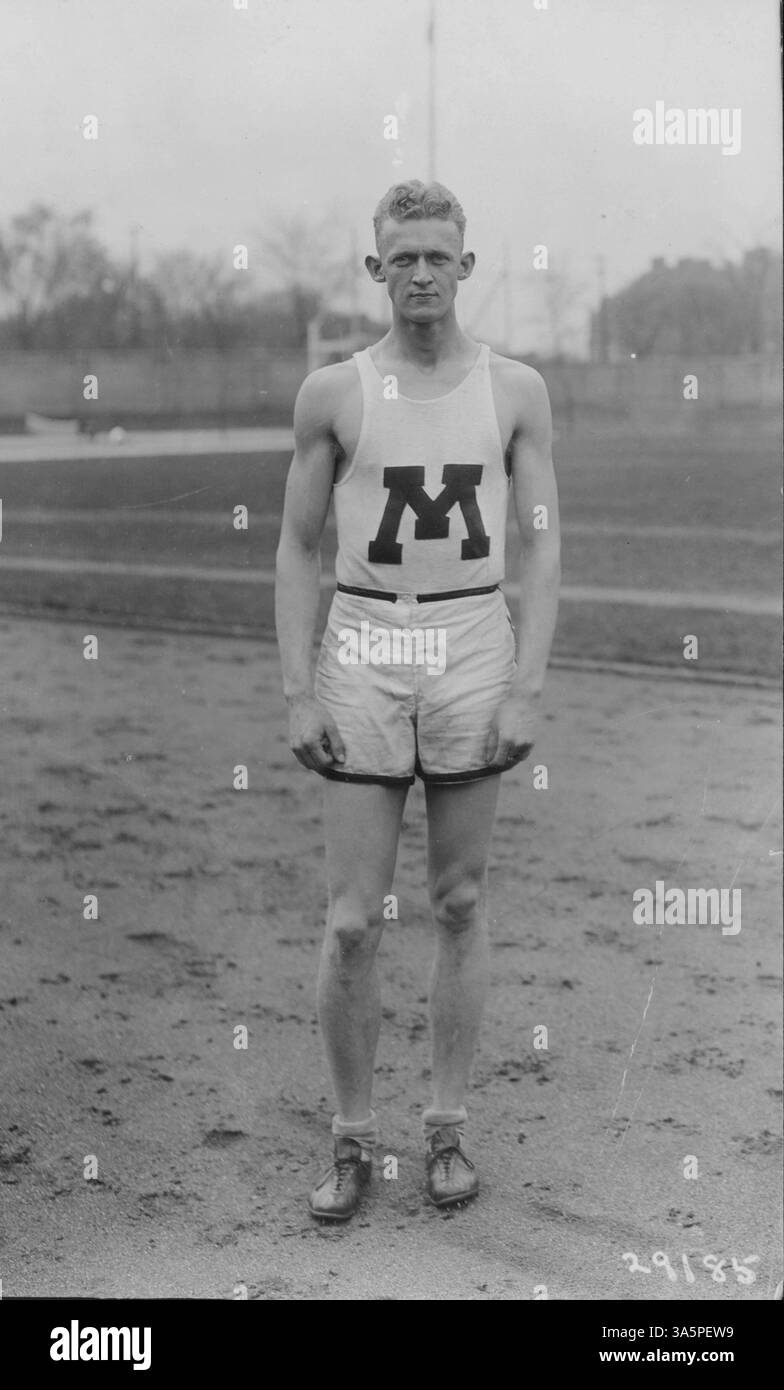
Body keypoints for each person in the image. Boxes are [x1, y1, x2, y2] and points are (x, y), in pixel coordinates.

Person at [274, 180, 560, 1220]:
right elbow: (299, 545)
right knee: (352, 920)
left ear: (466, 266)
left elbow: (539, 539)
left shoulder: (517, 389)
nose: (423, 273)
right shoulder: (334, 392)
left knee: (459, 900)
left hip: (472, 641)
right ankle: (352, 1141)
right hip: (365, 641)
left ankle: (444, 1132)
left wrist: (526, 680)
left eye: (440, 255)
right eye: (404, 257)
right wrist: (300, 687)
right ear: (376, 269)